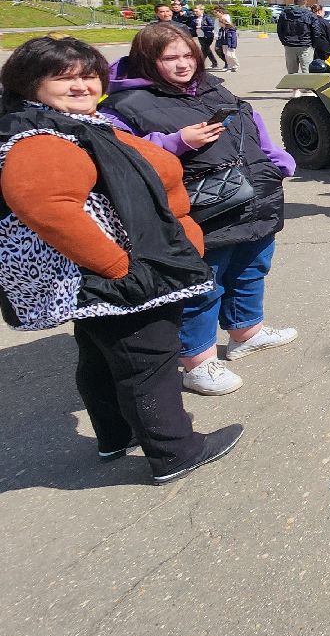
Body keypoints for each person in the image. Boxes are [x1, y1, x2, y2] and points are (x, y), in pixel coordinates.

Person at [0, 36, 242, 482]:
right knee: (147, 362)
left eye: (89, 75)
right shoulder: (41, 138)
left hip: (103, 275)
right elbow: (47, 207)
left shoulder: (74, 124)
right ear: (30, 85)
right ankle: (176, 450)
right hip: (113, 274)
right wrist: (118, 268)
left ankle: (116, 435)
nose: (81, 86)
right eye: (64, 78)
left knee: (101, 358)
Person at [102, 23, 298, 396]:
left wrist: (277, 159)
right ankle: (198, 361)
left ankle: (246, 332)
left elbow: (249, 121)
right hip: (201, 210)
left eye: (187, 55)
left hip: (254, 197)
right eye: (169, 58)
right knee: (202, 285)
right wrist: (175, 142)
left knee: (251, 268)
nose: (182, 64)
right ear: (148, 60)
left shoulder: (211, 86)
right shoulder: (125, 105)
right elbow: (120, 157)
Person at [277, 0, 324, 75]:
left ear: (294, 2)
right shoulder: (310, 15)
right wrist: (313, 45)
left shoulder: (285, 14)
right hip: (305, 46)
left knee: (291, 73)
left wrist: (285, 42)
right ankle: (306, 86)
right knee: (307, 72)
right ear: (305, 3)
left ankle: (294, 86)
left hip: (290, 46)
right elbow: (316, 32)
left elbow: (280, 30)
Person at [194, 3, 219, 69]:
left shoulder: (207, 17)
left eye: (197, 11)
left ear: (201, 10)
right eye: (194, 11)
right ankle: (214, 63)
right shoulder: (194, 18)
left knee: (204, 49)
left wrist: (202, 27)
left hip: (208, 35)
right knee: (206, 49)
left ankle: (200, 65)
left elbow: (212, 26)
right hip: (200, 34)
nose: (195, 13)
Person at [215, 6, 239, 72]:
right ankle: (230, 67)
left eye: (220, 23)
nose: (219, 24)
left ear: (224, 23)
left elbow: (233, 38)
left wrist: (233, 45)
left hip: (230, 44)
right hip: (224, 43)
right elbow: (221, 36)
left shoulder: (230, 30)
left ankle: (236, 65)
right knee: (227, 56)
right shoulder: (222, 30)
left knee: (231, 55)